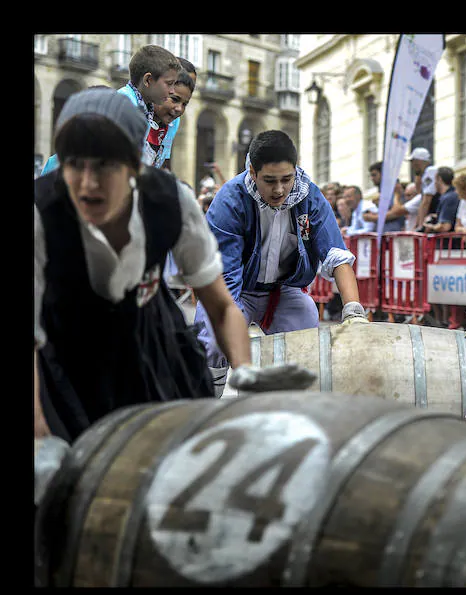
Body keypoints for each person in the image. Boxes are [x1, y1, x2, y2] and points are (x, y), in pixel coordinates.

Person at [33, 89, 313, 445]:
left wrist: (244, 370)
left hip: (149, 345)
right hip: (61, 357)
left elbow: (221, 305)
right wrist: (38, 431)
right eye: (75, 164)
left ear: (136, 164)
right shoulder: (41, 212)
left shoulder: (168, 201)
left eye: (105, 165)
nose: (88, 184)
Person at [193, 130, 369, 397]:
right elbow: (225, 281)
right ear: (252, 172)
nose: (279, 190)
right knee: (215, 337)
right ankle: (205, 405)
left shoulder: (310, 197)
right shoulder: (229, 200)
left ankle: (286, 408)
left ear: (295, 171)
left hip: (282, 291)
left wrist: (354, 313)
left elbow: (336, 254)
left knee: (307, 321)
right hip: (232, 291)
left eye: (287, 179)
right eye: (270, 181)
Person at [40, 45, 182, 175]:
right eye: (169, 84)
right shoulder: (123, 107)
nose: (172, 91)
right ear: (148, 80)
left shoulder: (144, 108)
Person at [409, 148, 440, 230]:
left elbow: (426, 201)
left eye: (414, 162)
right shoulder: (424, 174)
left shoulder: (430, 172)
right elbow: (421, 195)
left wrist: (420, 225)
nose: (412, 166)